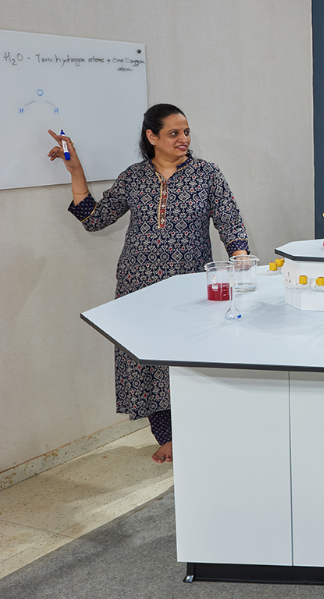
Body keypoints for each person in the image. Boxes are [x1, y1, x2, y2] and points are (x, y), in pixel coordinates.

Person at [49, 104, 249, 464]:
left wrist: (240, 256)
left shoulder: (207, 174)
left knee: (190, 358)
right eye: (174, 133)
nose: (184, 139)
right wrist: (75, 169)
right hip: (138, 286)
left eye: (186, 131)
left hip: (188, 285)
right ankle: (168, 436)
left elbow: (230, 222)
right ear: (152, 137)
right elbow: (94, 219)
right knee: (148, 361)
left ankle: (199, 429)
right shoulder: (134, 177)